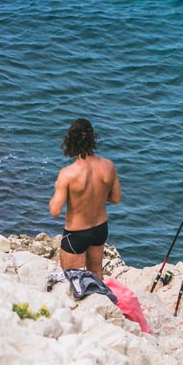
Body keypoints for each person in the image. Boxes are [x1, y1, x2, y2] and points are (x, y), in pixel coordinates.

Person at [48, 118, 121, 280]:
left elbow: (55, 210)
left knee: (72, 279)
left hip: (76, 233)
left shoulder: (68, 173)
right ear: (93, 139)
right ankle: (101, 303)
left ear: (70, 141)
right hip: (100, 229)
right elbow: (115, 198)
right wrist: (99, 194)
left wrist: (58, 189)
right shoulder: (108, 166)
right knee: (97, 275)